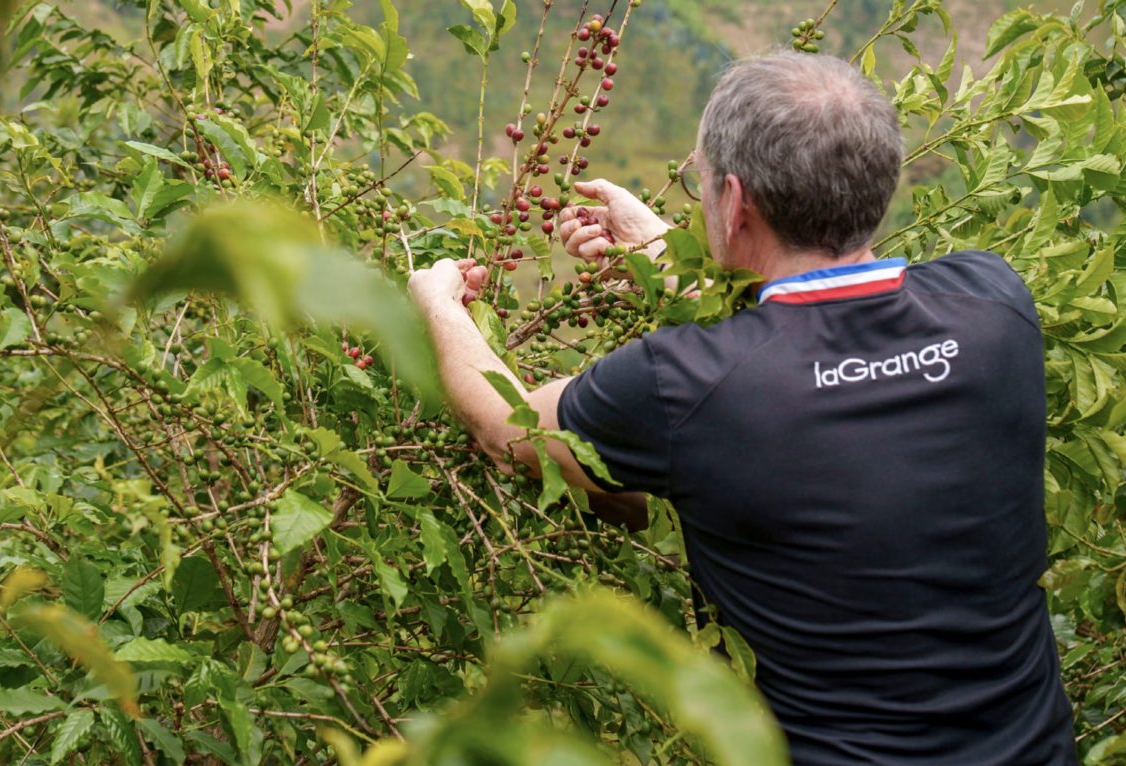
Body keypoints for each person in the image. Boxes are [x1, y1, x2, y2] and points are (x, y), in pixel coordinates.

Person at [407, 52, 1078, 765]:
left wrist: (437, 304)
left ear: (734, 201)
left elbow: (506, 428)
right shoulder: (995, 305)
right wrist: (672, 256)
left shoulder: (680, 386)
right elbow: (817, 351)